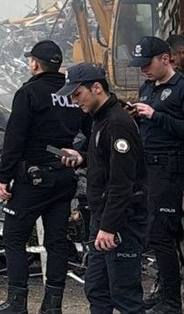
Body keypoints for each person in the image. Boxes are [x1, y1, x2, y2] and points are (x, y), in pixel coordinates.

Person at [0, 40, 81, 314]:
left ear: (35, 64)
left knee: (14, 237)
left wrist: (4, 176)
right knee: (57, 241)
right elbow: (86, 129)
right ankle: (53, 306)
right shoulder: (72, 93)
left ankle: (16, 303)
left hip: (34, 179)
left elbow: (15, 137)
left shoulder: (29, 93)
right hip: (64, 178)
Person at [58, 64, 149, 314]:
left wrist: (110, 227)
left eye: (78, 94)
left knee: (125, 294)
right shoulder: (100, 119)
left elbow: (122, 183)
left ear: (96, 88)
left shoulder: (118, 124)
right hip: (103, 217)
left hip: (121, 221)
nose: (75, 101)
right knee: (97, 288)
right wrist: (82, 157)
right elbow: (102, 158)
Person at [128, 36, 184, 314]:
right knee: (151, 234)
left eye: (147, 64)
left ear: (165, 58)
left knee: (163, 235)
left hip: (169, 169)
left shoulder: (181, 88)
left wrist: (155, 116)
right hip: (146, 167)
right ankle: (162, 290)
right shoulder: (148, 88)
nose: (143, 70)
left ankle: (172, 302)